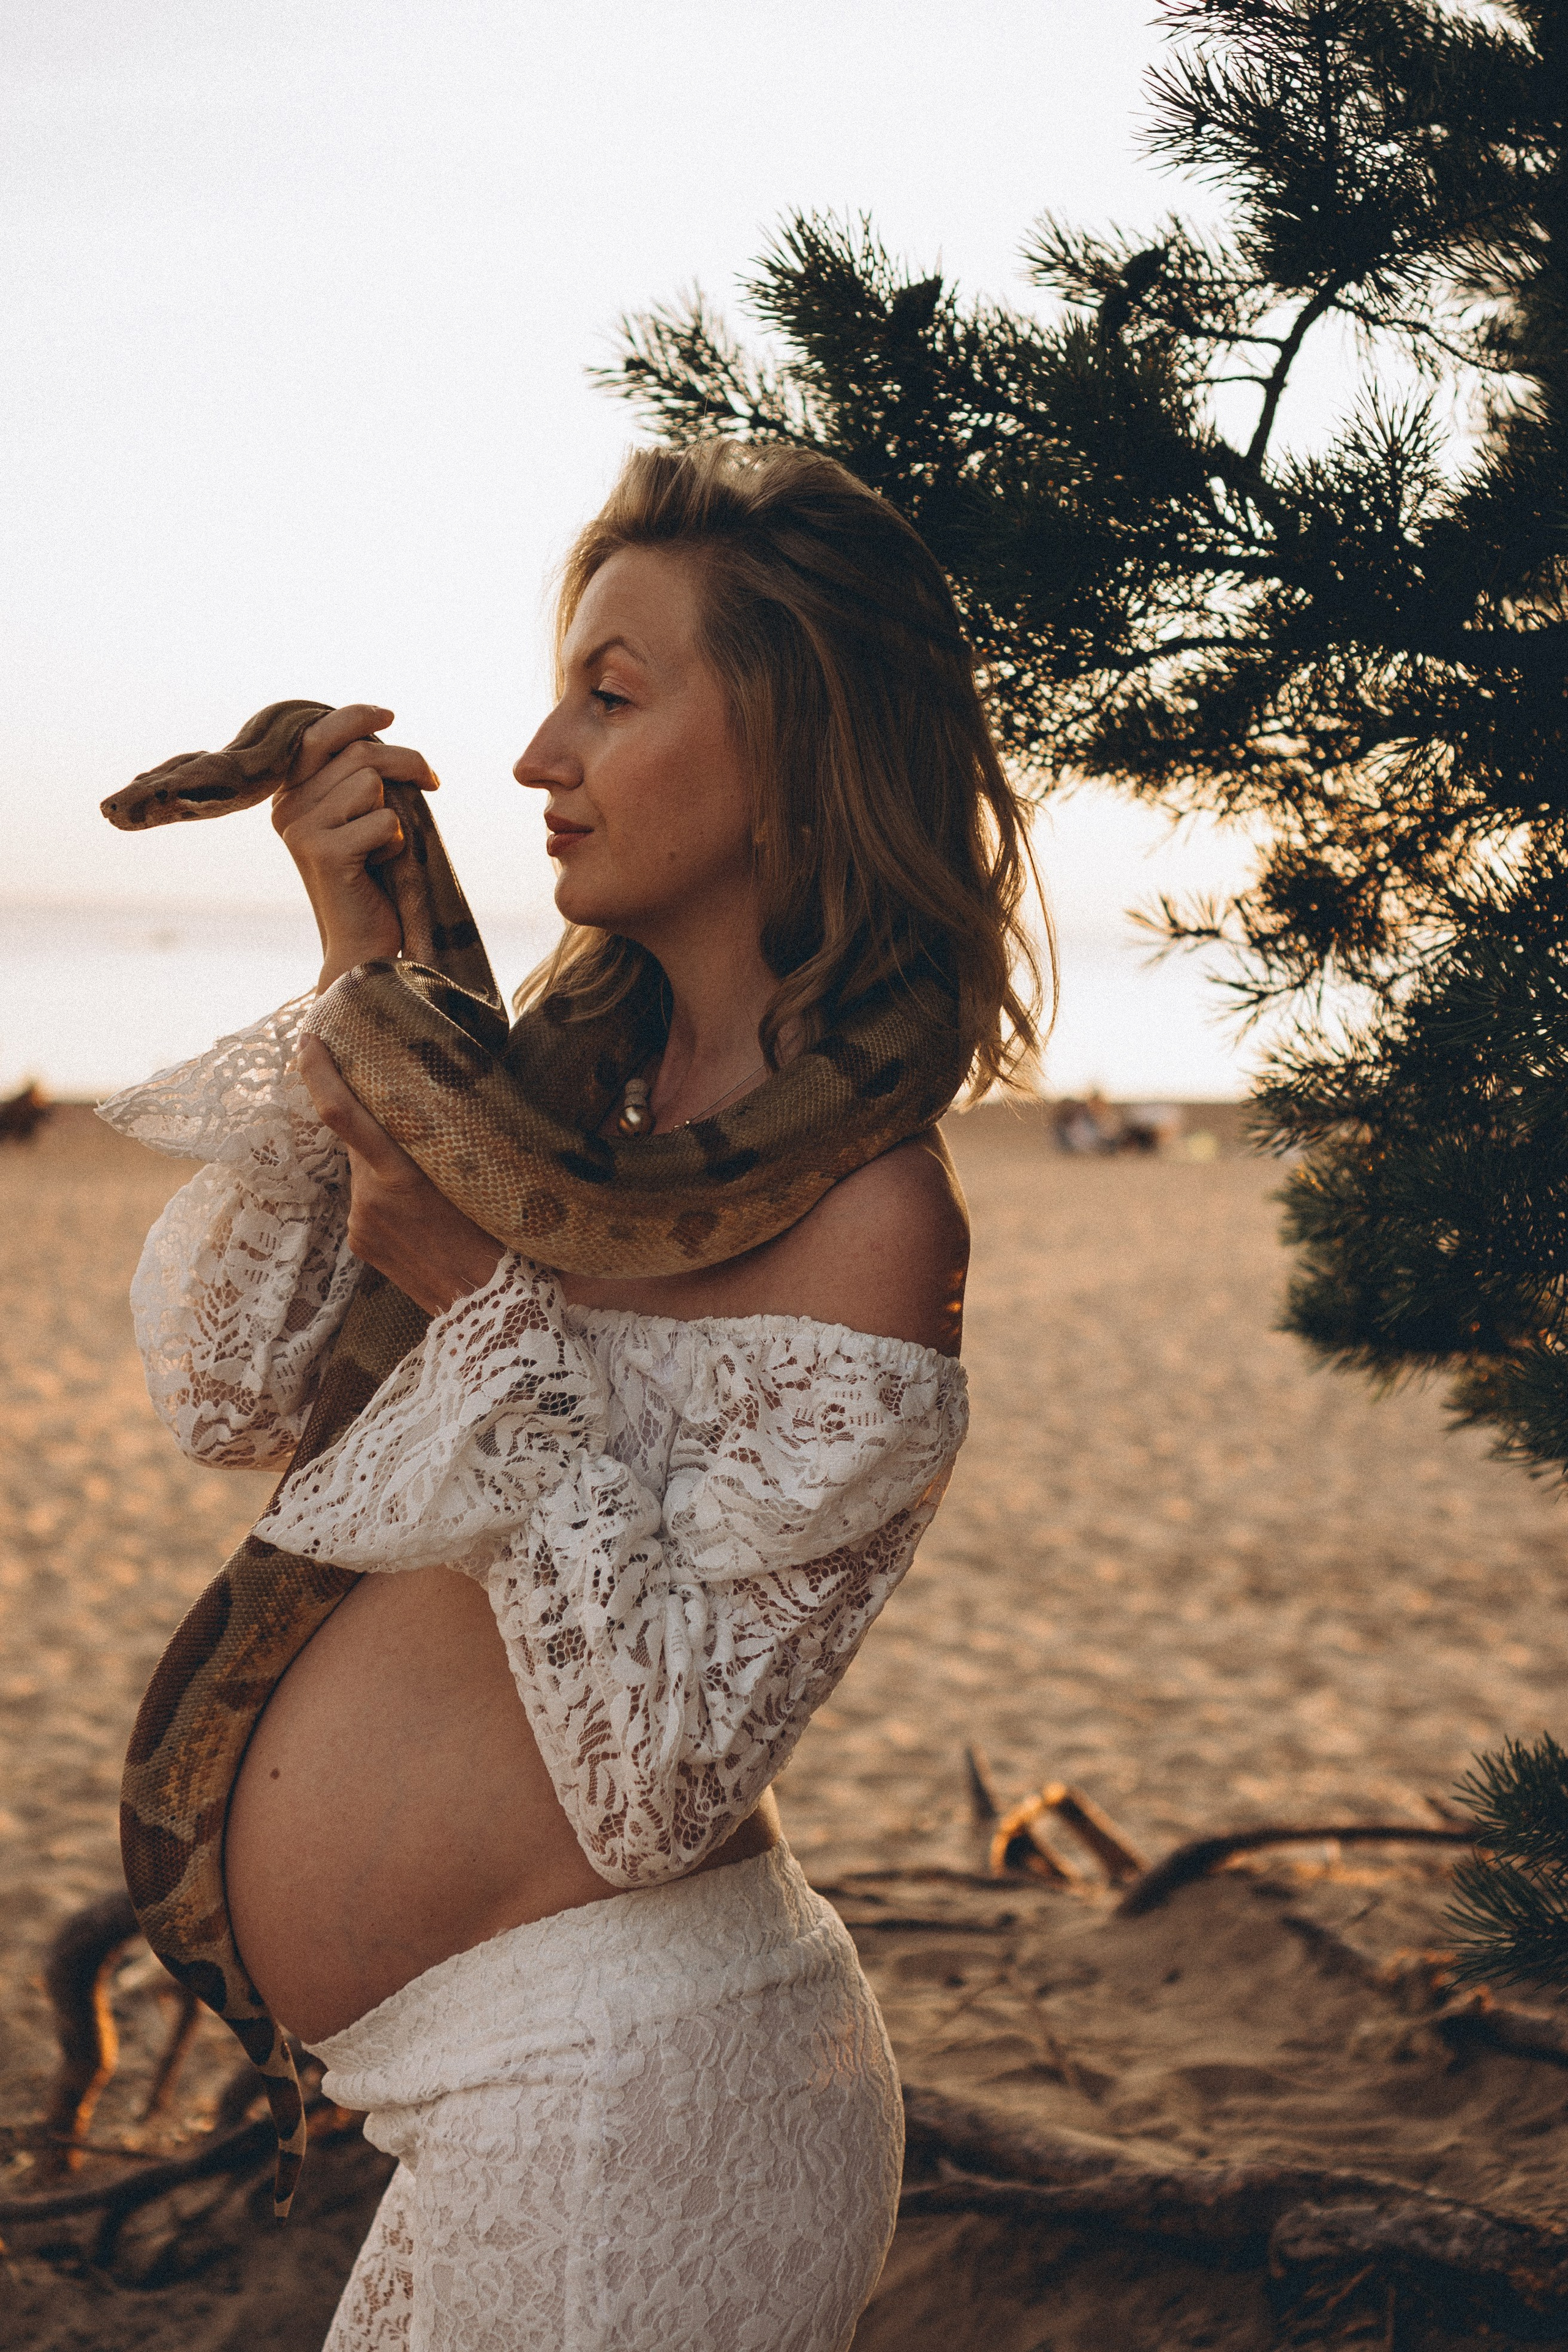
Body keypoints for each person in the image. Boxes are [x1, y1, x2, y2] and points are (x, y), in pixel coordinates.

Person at [102, 442, 1043, 2351]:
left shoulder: (865, 1207)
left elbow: (661, 1778)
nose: (536, 759)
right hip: (496, 2105)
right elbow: (230, 1398)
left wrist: (478, 1296)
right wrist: (375, 975)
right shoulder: (554, 1110)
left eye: (611, 700)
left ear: (797, 743)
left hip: (643, 2095)